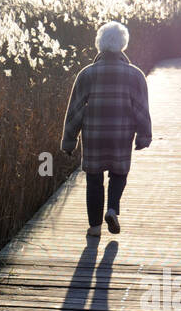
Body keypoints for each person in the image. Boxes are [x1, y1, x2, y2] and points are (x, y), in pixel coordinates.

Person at [61, 21, 152, 238]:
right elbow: (141, 109)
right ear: (123, 44)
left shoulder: (87, 74)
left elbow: (75, 110)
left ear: (99, 44)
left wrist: (69, 140)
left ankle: (94, 228)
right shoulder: (135, 75)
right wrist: (144, 135)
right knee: (119, 172)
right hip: (121, 135)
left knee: (94, 178)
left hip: (93, 134)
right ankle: (112, 209)